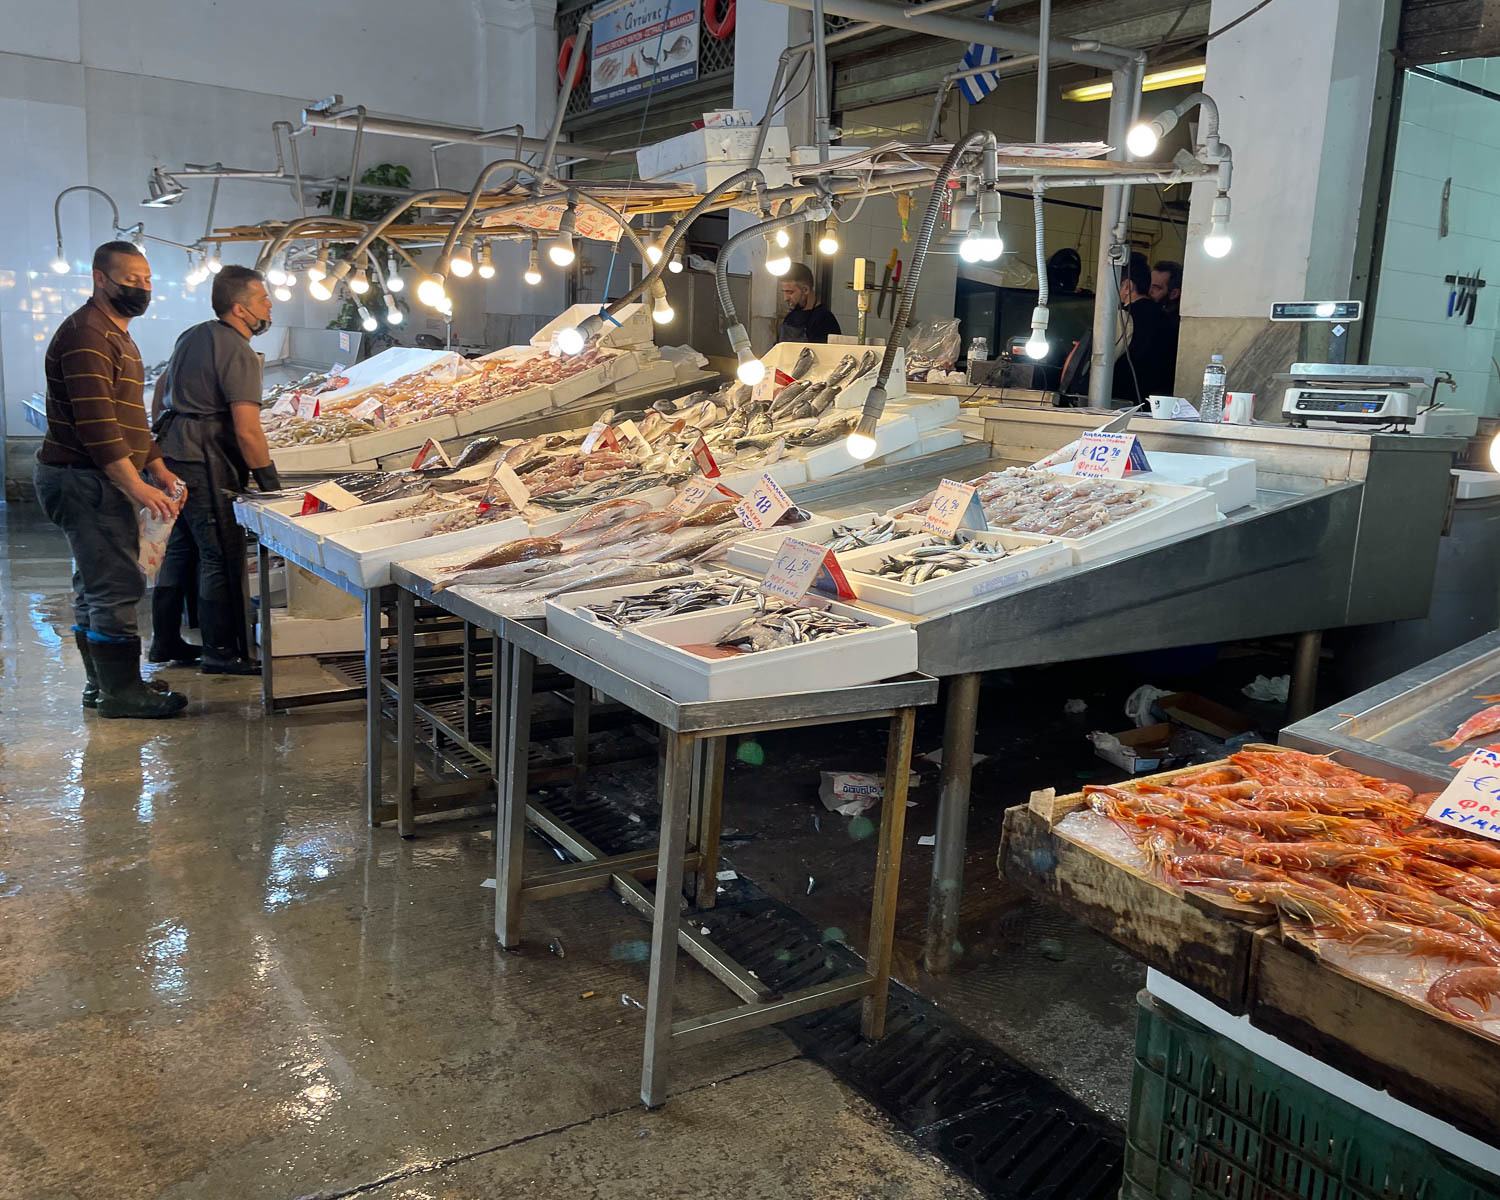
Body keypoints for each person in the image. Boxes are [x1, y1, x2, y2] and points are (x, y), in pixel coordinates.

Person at [34, 240, 189, 719]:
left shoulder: (116, 333)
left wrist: (156, 463)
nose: (141, 288)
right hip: (84, 479)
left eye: (146, 280)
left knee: (94, 583)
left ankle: (102, 685)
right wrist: (134, 484)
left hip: (92, 476)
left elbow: (130, 419)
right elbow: (98, 426)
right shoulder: (87, 336)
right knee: (115, 585)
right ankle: (121, 693)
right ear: (101, 279)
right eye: (130, 279)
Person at [150, 265, 282, 674]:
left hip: (173, 448)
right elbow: (247, 431)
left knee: (181, 548)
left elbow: (159, 392)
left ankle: (166, 641)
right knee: (219, 554)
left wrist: (161, 452)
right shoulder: (238, 350)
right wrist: (271, 485)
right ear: (241, 309)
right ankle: (221, 652)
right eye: (263, 299)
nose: (270, 305)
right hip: (204, 458)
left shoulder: (193, 334)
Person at [1111, 252, 1173, 405]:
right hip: (1158, 405)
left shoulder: (1123, 318)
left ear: (1127, 287)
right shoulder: (1167, 319)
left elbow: (1102, 359)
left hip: (1121, 402)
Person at [778, 263, 841, 343]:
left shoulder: (824, 320)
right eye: (784, 292)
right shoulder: (790, 317)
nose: (785, 298)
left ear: (805, 290)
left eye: (790, 292)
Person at [1150, 258, 1183, 386]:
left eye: (1156, 288)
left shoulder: (1173, 326)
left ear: (1174, 293)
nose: (1149, 291)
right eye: (1149, 285)